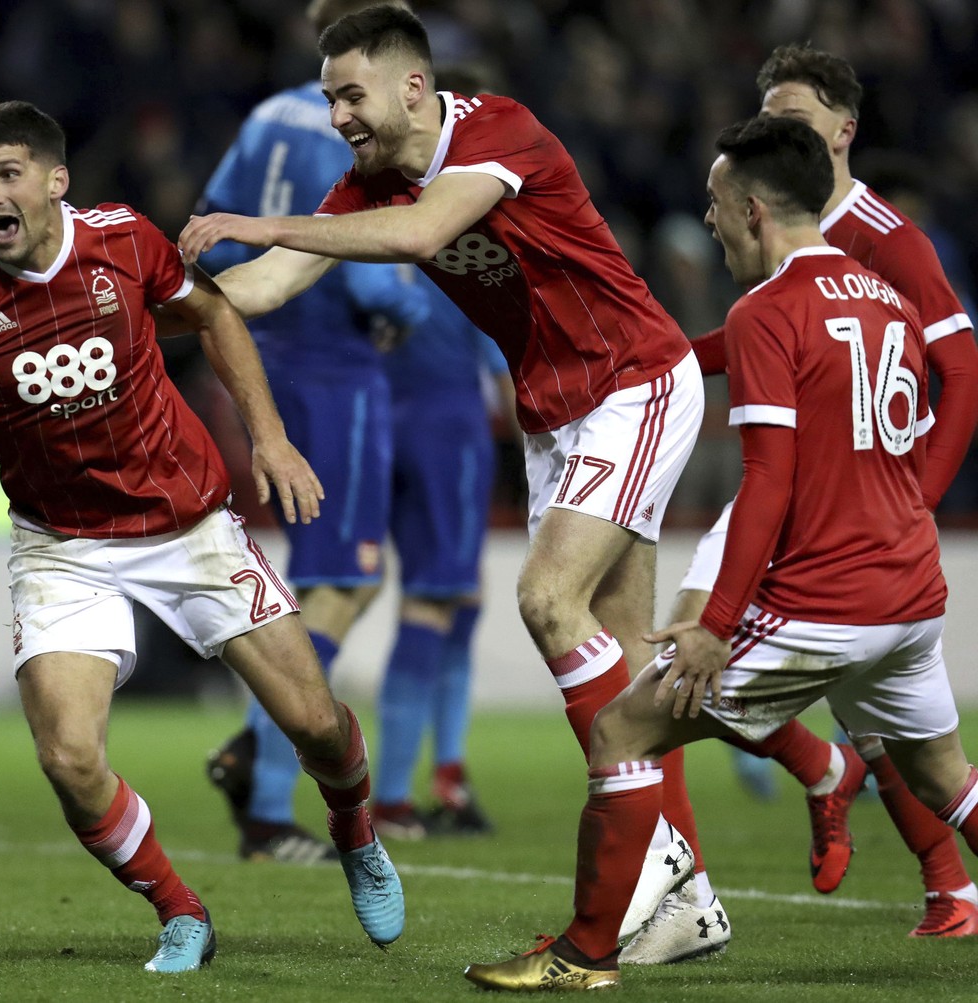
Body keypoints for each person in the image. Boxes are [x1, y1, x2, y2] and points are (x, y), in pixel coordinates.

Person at [177, 4, 722, 960]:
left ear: (414, 87)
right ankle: (688, 896)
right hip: (555, 411)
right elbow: (261, 288)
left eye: (352, 94)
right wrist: (140, 305)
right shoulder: (368, 182)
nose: (339, 115)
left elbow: (423, 234)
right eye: (328, 97)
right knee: (633, 658)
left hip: (632, 381)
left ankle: (642, 878)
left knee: (547, 599)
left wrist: (258, 220)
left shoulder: (496, 129)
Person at [0, 99, 405, 974]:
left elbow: (217, 315)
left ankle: (356, 832)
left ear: (55, 182)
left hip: (190, 527)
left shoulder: (122, 241)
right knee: (69, 758)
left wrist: (270, 437)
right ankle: (180, 910)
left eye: (7, 174)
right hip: (63, 548)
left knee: (315, 724)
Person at [466, 111, 978, 993]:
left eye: (713, 202)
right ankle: (825, 776)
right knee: (948, 780)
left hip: (826, 605)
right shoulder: (884, 299)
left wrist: (715, 623)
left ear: (752, 210)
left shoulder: (767, 309)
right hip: (913, 599)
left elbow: (768, 482)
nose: (706, 219)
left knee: (623, 725)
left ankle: (583, 955)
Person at [682, 42, 978, 939]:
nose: (778, 131)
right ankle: (942, 881)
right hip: (800, 486)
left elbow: (959, 369)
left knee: (706, 675)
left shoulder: (887, 240)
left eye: (797, 118)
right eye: (771, 116)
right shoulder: (778, 226)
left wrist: (914, 498)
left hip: (849, 499)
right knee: (880, 715)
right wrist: (666, 368)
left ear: (844, 131)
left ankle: (932, 873)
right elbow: (756, 343)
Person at [197, 0, 431, 863]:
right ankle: (262, 782)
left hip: (265, 352)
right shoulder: (365, 129)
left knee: (324, 574)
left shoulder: (266, 116)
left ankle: (254, 755)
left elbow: (213, 234)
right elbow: (374, 266)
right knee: (343, 578)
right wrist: (398, 309)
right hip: (339, 367)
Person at [372, 276, 508, 838]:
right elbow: (506, 375)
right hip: (447, 431)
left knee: (464, 593)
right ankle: (393, 799)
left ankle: (449, 777)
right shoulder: (464, 257)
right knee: (435, 599)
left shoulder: (366, 239)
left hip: (381, 421)